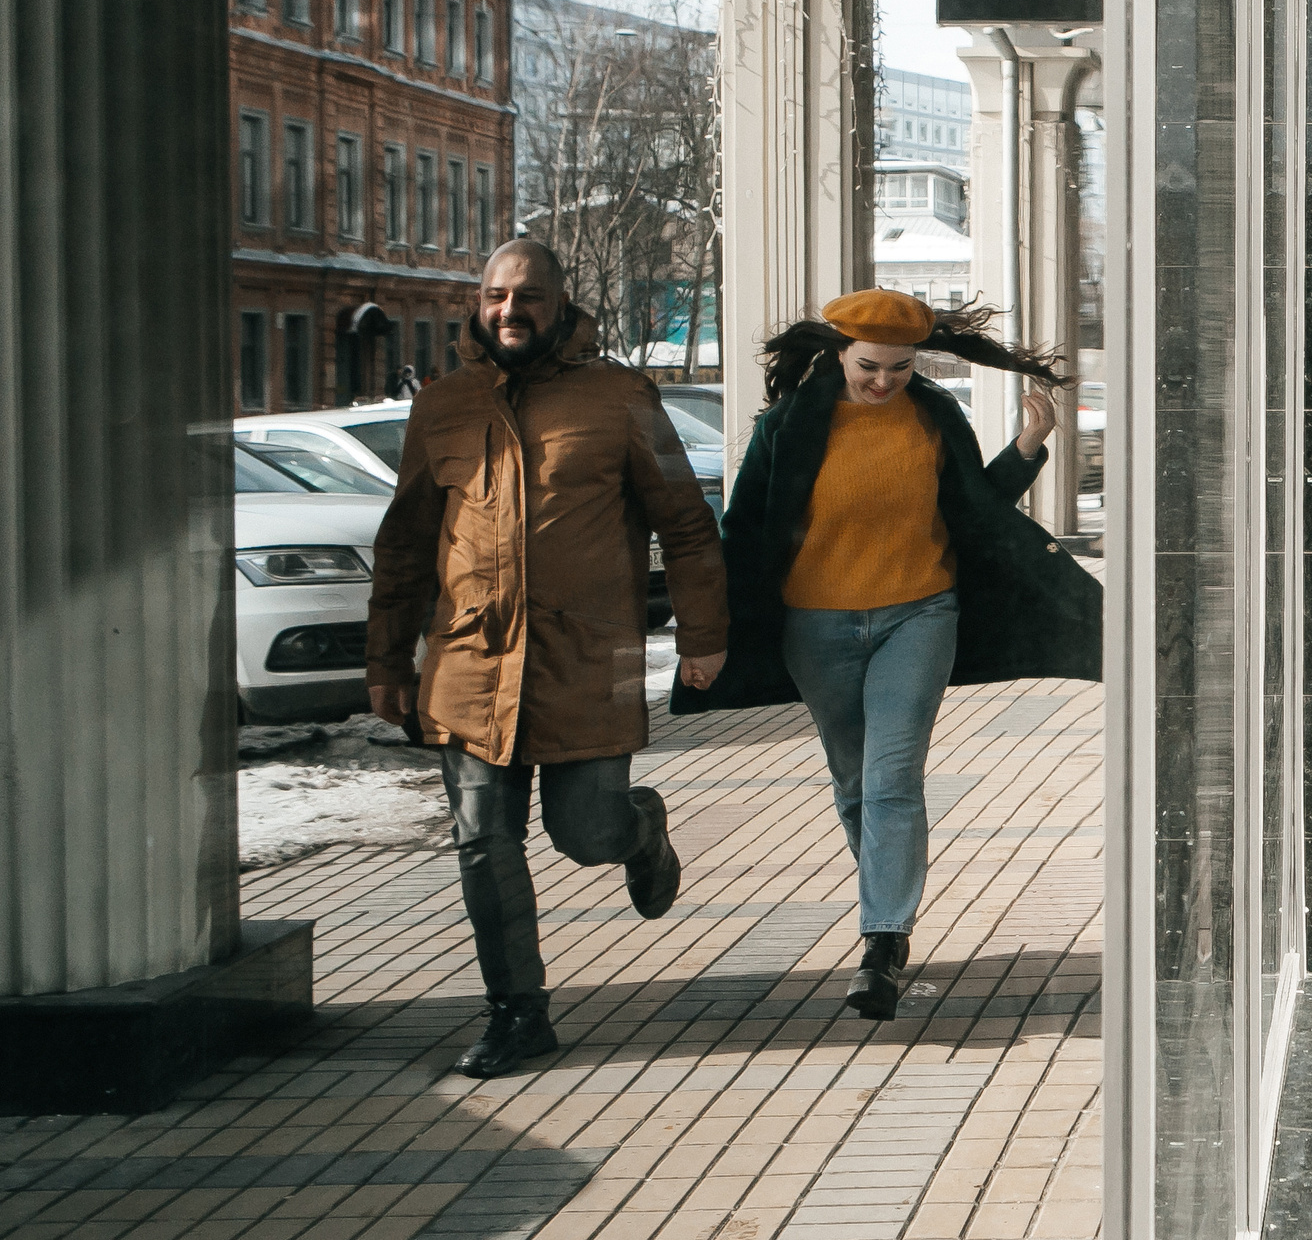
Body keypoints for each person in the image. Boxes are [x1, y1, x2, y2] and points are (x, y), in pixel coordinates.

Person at [676, 290, 1103, 1020]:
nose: (883, 382)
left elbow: (974, 510)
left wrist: (1028, 447)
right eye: (870, 367)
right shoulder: (788, 426)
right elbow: (744, 536)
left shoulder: (935, 416)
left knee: (893, 776)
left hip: (921, 615)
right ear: (838, 353)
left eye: (900, 369)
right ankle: (886, 902)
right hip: (815, 629)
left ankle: (882, 942)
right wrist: (709, 638)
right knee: (855, 785)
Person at [366, 240, 728, 1080]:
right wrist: (385, 659)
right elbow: (407, 542)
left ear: (561, 304)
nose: (509, 310)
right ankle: (517, 1013)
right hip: (468, 664)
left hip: (584, 661)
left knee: (584, 832)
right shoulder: (444, 405)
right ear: (478, 302)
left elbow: (684, 522)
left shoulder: (622, 398)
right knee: (482, 841)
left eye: (527, 295)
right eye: (495, 295)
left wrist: (704, 637)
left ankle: (639, 833)